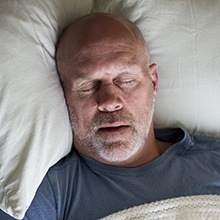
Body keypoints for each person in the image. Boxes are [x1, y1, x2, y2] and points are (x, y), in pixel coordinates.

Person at [1, 12, 220, 220]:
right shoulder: (46, 193)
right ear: (64, 94)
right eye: (87, 85)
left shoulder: (214, 161)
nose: (109, 102)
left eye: (125, 80)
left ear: (153, 82)